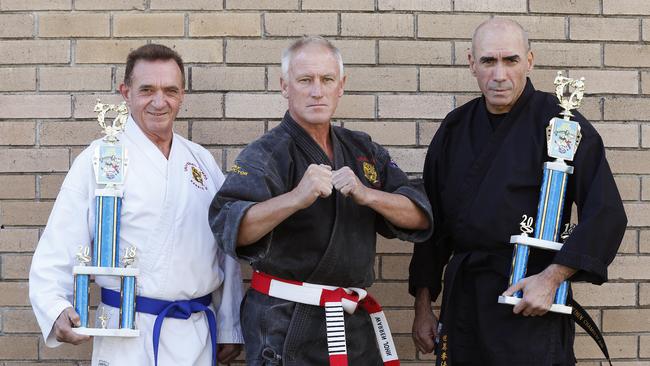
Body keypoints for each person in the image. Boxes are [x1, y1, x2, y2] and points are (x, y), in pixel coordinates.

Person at [409, 18, 627, 365]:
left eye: (510, 60)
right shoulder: (454, 128)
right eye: (488, 61)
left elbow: (606, 213)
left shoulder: (562, 125)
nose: (499, 74)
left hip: (531, 301)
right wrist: (423, 305)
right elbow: (431, 227)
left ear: (530, 60)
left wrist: (552, 278)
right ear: (471, 63)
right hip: (465, 301)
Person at [210, 36, 433, 366]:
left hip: (351, 322)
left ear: (341, 86)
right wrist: (296, 198)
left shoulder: (363, 150)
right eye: (305, 80)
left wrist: (367, 194)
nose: (317, 91)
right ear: (285, 86)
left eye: (327, 80)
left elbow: (418, 215)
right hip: (285, 324)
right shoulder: (266, 154)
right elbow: (232, 227)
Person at [29, 44, 243, 365]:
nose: (160, 101)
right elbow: (60, 241)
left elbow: (225, 252)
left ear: (182, 94)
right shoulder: (100, 158)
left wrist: (229, 326)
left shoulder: (201, 162)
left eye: (170, 90)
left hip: (196, 332)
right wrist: (56, 306)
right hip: (127, 332)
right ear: (125, 93)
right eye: (147, 90)